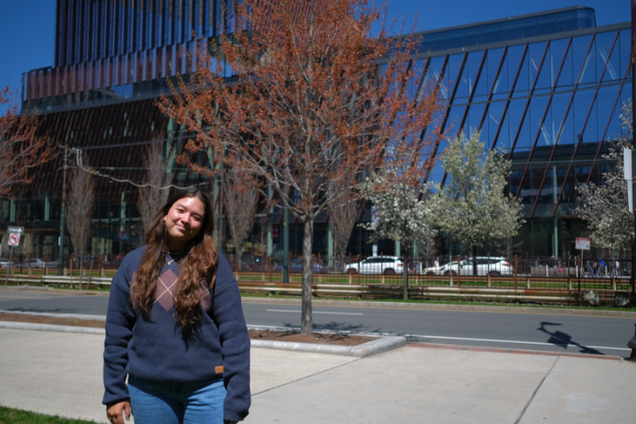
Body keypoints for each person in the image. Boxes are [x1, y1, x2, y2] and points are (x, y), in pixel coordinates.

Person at [103, 188, 250, 424]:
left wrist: (237, 399)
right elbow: (117, 333)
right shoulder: (133, 263)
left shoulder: (214, 266)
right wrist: (114, 391)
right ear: (165, 213)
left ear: (202, 226)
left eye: (196, 217)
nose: (186, 219)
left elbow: (235, 336)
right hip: (149, 391)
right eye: (180, 210)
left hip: (207, 391)